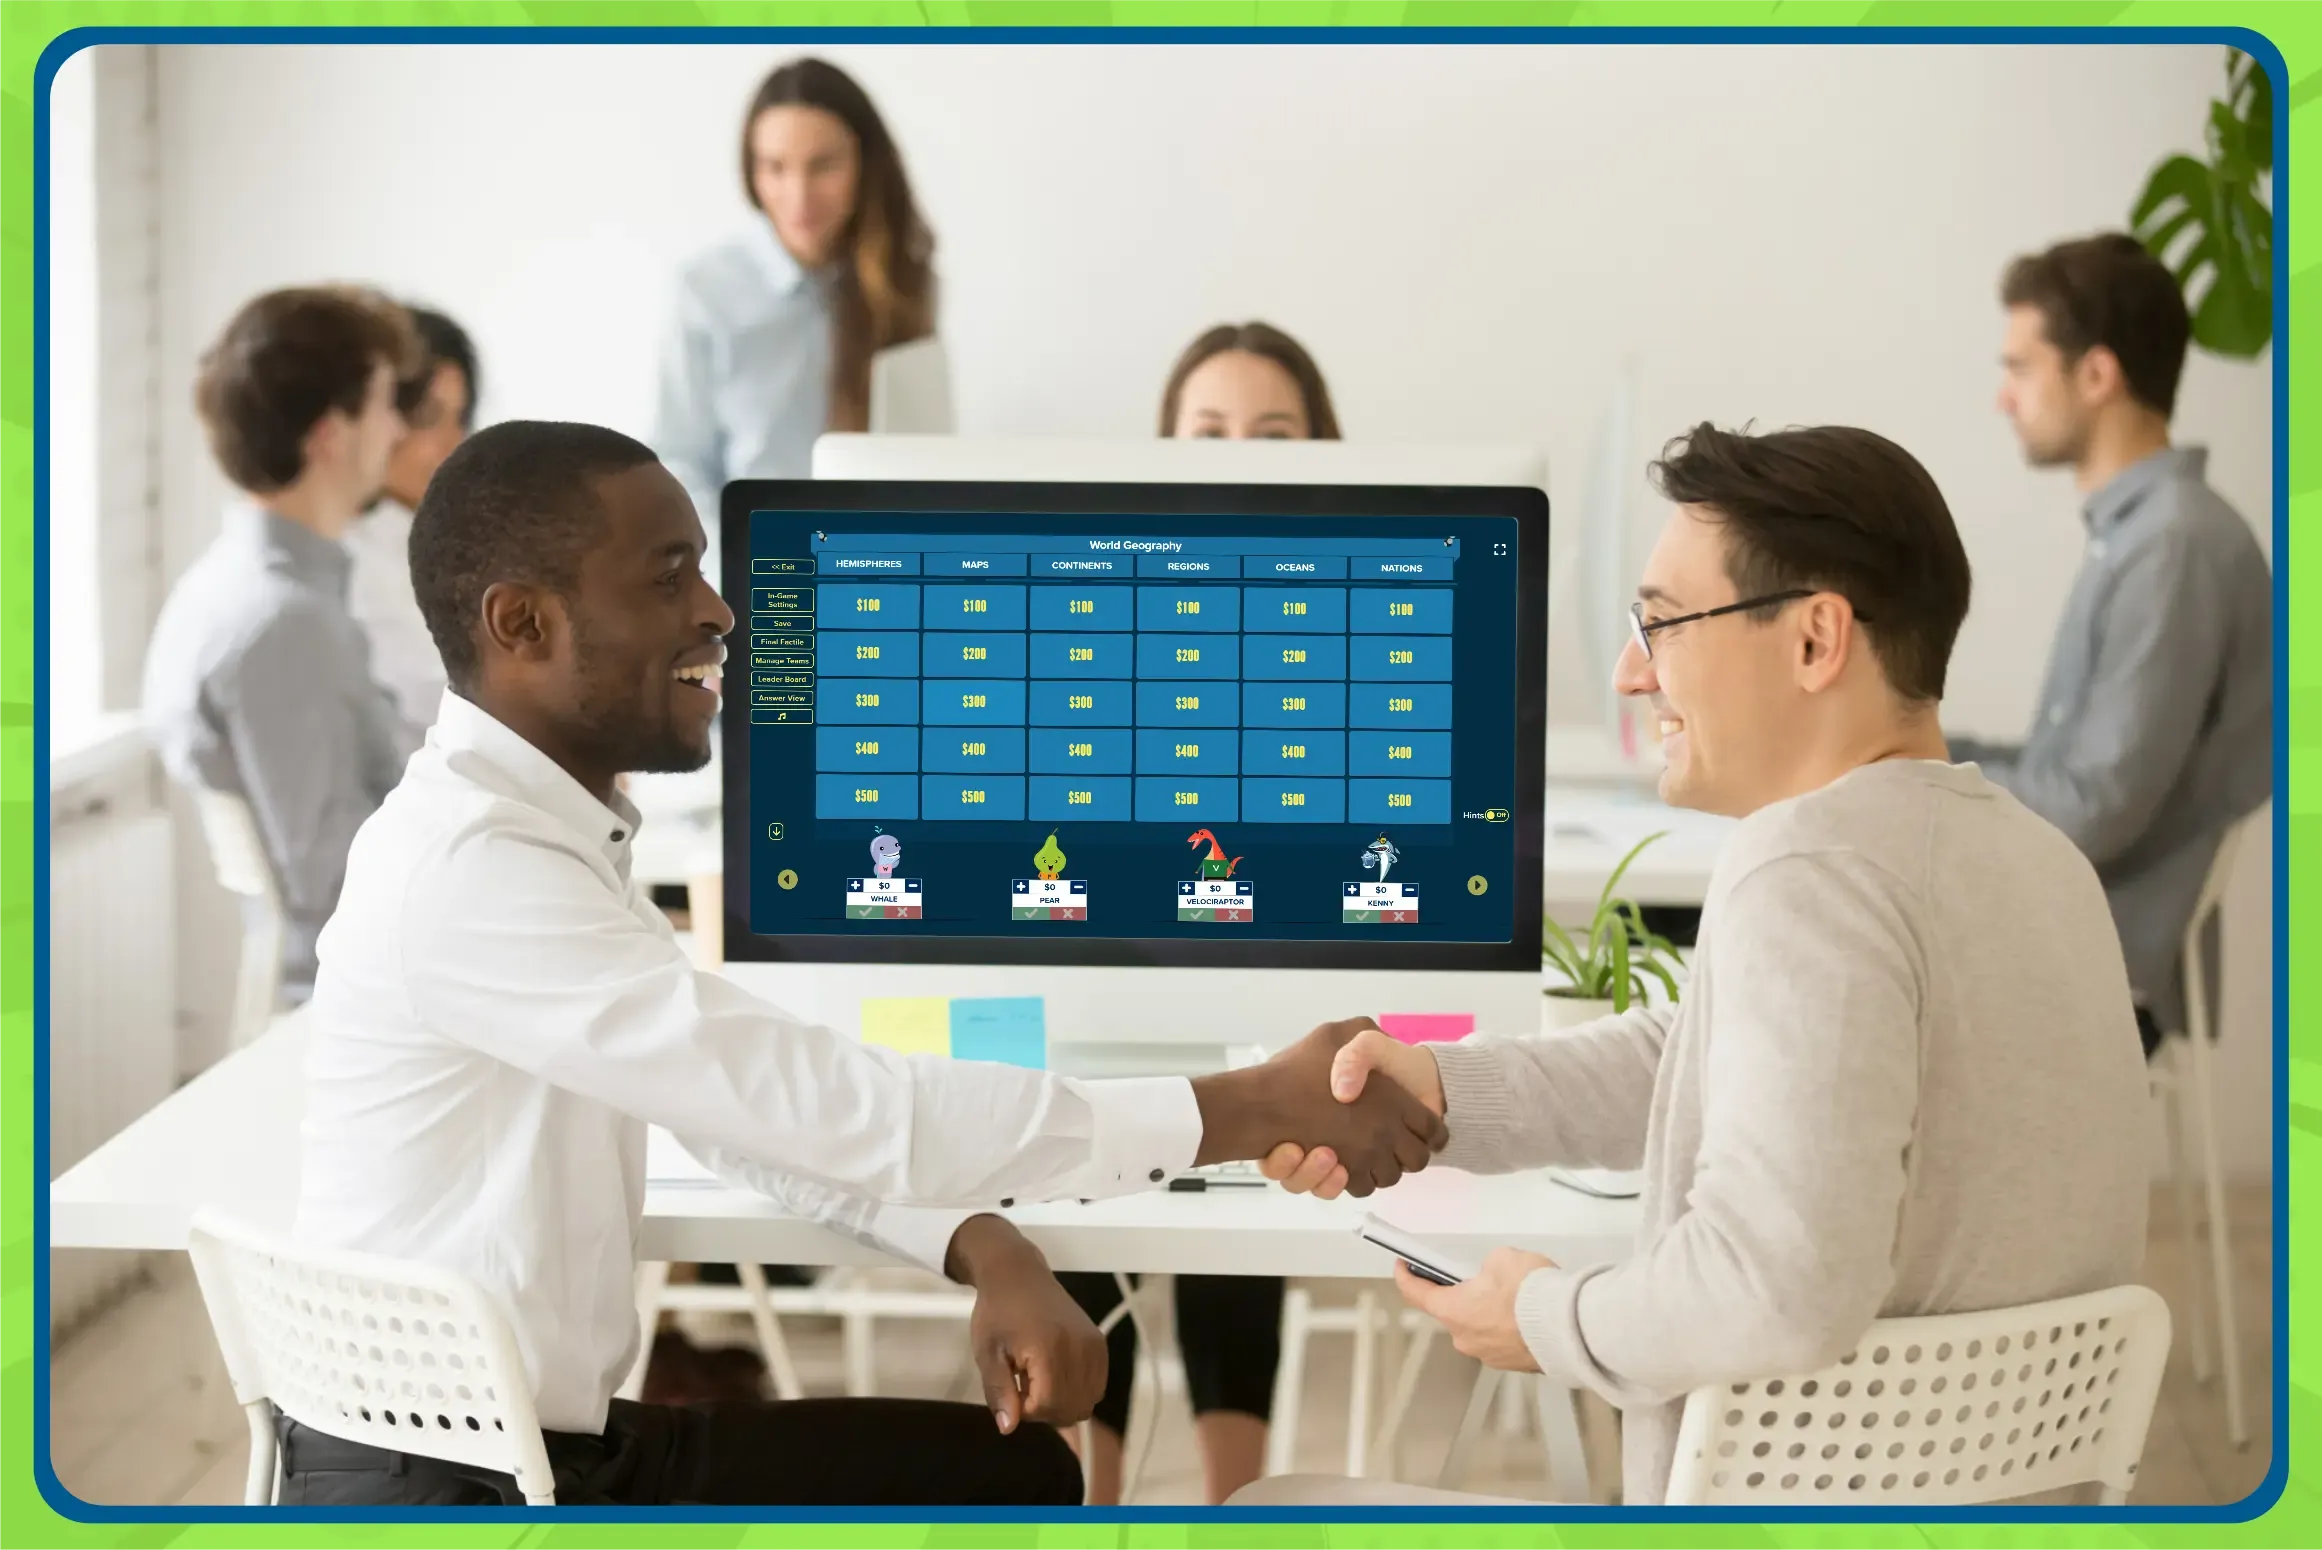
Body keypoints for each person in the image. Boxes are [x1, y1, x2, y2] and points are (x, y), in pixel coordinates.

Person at [286, 418, 1448, 1507]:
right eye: (667, 576)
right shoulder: (476, 869)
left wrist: (976, 1238)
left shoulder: (529, 834)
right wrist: (1248, 1106)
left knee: (1016, 1472)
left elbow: (739, 1113)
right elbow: (837, 1104)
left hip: (511, 1451)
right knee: (1014, 1482)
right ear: (521, 622)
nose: (721, 609)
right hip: (460, 1492)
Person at [1242, 422, 2153, 1507]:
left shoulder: (1805, 863)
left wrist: (1545, 1316)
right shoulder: (2047, 864)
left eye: (1663, 623)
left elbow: (1777, 1285)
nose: (1633, 672)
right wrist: (1448, 1091)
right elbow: (1735, 1055)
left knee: (1275, 1507)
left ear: (1817, 638)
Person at [1052, 320, 1342, 1506]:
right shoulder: (1101, 600)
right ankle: (1089, 1498)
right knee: (1085, 1165)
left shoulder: (1362, 606)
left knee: (1245, 1135)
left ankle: (1239, 1506)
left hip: (1279, 966)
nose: (1241, 456)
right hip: (1101, 958)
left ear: (1327, 451)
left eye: (1274, 435)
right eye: (1210, 432)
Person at [1953, 233, 2273, 1057]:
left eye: (2020, 368)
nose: (2001, 398)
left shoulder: (2173, 547)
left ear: (2097, 375)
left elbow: (2092, 808)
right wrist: (1919, 753)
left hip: (2097, 969)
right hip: (2070, 935)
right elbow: (2074, 773)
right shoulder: (2141, 539)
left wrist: (1926, 782)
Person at [142, 285, 424, 1004]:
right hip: (359, 999)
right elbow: (332, 883)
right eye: (387, 404)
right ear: (331, 434)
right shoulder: (284, 624)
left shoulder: (239, 586)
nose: (398, 430)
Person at [652, 56, 935, 556]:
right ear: (751, 170)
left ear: (865, 164)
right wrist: (738, 561)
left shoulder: (902, 281)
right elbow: (678, 463)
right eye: (775, 167)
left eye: (823, 165)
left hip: (876, 562)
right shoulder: (706, 289)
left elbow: (923, 451)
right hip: (751, 569)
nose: (798, 195)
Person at [346, 303, 480, 727]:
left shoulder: (445, 534)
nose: (452, 442)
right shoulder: (354, 558)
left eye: (460, 418)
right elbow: (445, 699)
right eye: (429, 418)